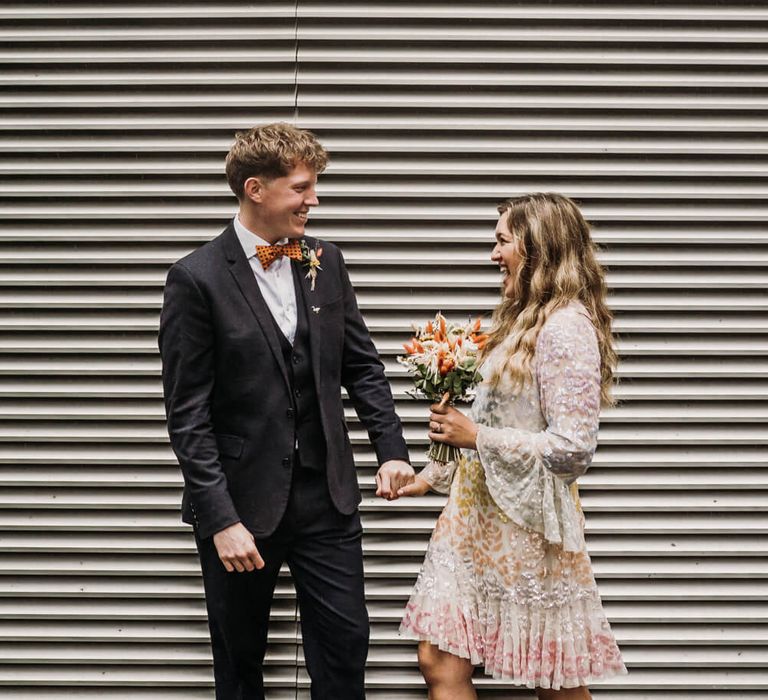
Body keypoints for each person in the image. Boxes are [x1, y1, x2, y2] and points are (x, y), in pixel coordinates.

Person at [158, 122, 414, 700]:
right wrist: (221, 519)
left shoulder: (327, 260)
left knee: (346, 649)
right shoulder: (194, 280)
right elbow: (188, 415)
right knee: (241, 661)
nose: (314, 199)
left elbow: (362, 367)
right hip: (241, 506)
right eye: (301, 187)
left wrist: (392, 451)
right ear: (256, 189)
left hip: (327, 496)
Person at [398, 193, 627, 699]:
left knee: (555, 678)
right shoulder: (517, 320)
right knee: (439, 659)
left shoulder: (566, 326)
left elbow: (574, 447)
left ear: (537, 247)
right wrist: (426, 477)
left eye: (502, 241)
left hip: (525, 525)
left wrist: (476, 436)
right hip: (471, 521)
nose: (491, 254)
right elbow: (483, 420)